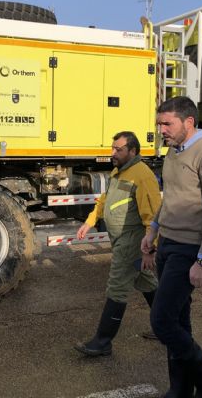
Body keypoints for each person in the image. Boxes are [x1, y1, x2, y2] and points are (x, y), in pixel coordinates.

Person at [141, 96, 202, 397]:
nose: (161, 129)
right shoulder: (172, 151)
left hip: (188, 248)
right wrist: (152, 231)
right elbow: (172, 198)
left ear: (189, 122)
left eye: (167, 123)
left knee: (162, 321)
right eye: (159, 124)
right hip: (166, 243)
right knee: (179, 320)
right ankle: (180, 390)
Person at [74, 131, 161, 357]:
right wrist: (90, 221)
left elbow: (152, 215)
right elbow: (105, 201)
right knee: (147, 281)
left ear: (132, 151)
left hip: (133, 241)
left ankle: (103, 341)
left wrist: (151, 249)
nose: (113, 153)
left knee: (117, 286)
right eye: (113, 148)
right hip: (121, 239)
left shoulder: (142, 175)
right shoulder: (118, 172)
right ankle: (167, 327)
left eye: (118, 149)